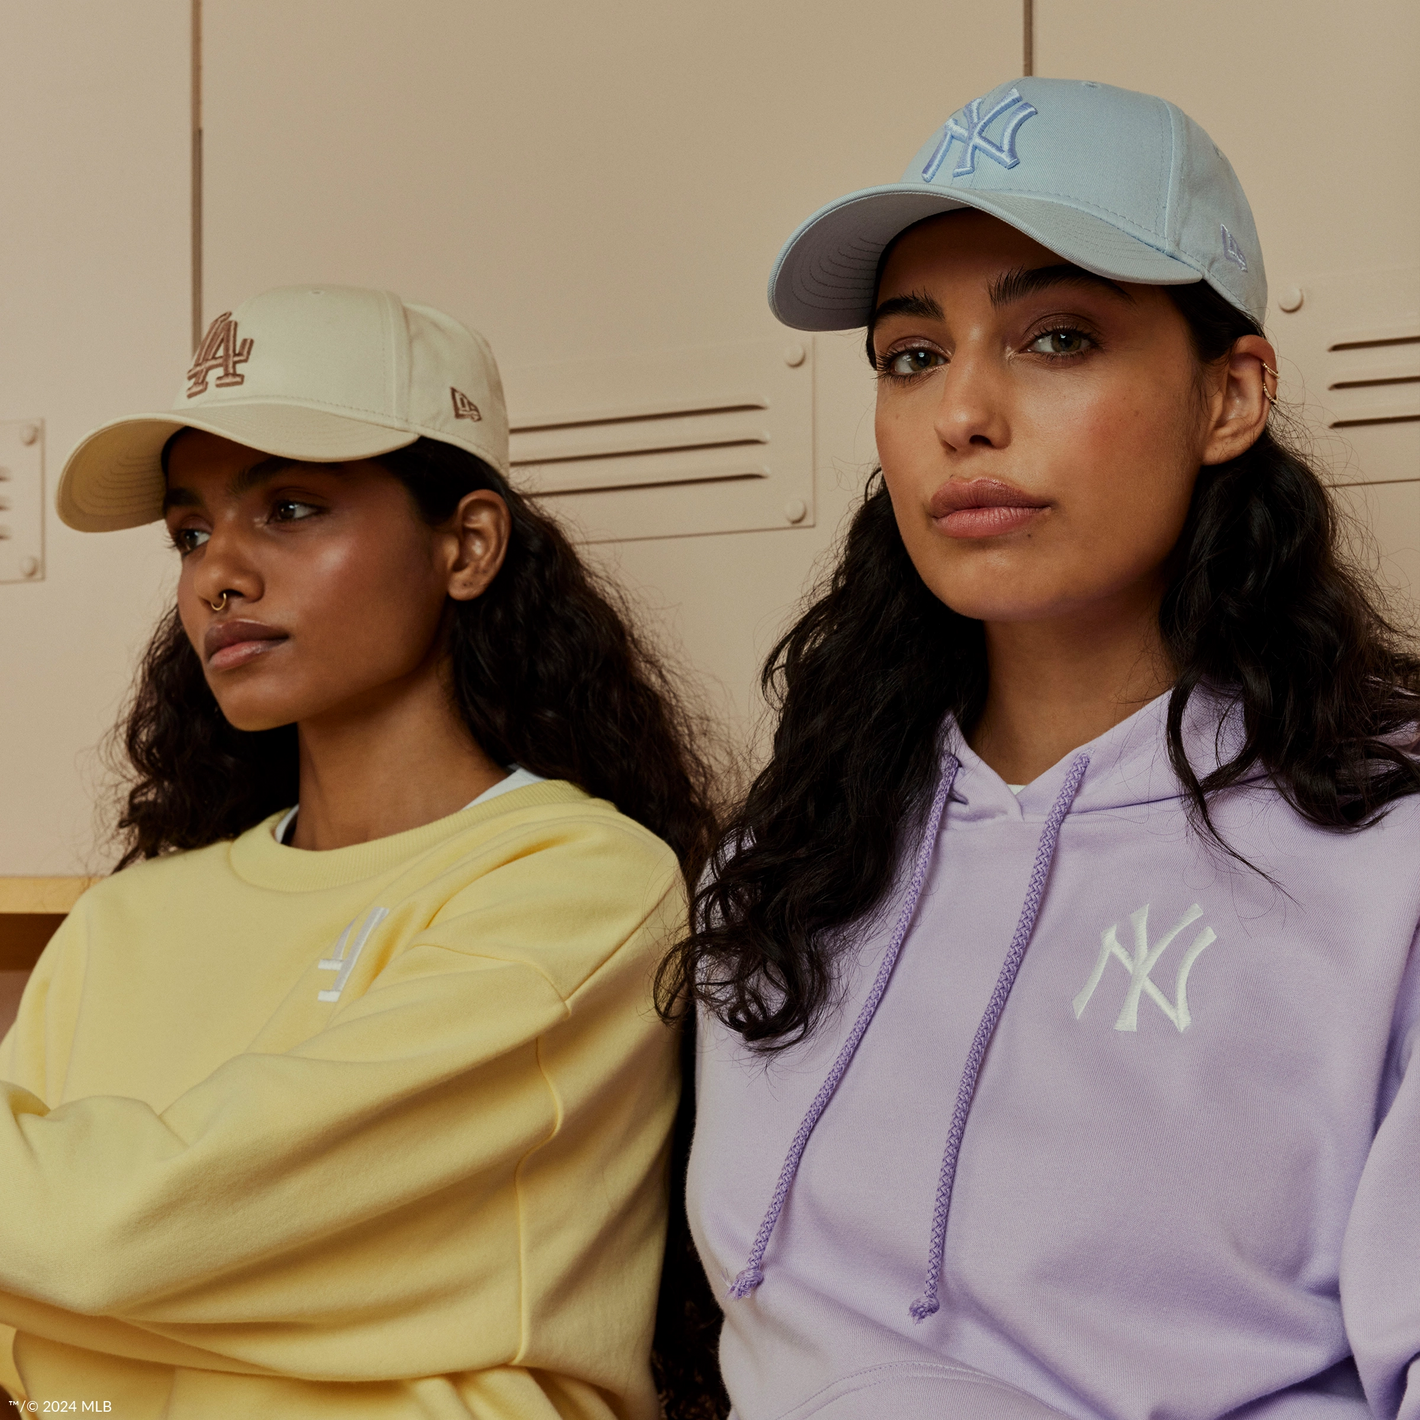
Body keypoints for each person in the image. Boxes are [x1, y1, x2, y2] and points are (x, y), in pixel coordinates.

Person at [667, 79, 1420, 1418]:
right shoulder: (792, 858)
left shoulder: (1389, 848)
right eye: (910, 354)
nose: (962, 411)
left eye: (1057, 336)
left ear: (1231, 397)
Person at [0, 285, 719, 1417]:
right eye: (190, 531)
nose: (215, 574)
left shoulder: (581, 886)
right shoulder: (128, 918)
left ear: (467, 544)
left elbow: (111, 1236)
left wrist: (95, 1289)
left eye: (288, 508)